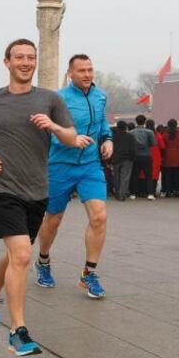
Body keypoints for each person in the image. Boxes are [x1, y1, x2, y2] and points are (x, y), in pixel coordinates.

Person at [0, 39, 80, 356]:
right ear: (6, 62)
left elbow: (72, 139)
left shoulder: (50, 99)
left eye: (31, 57)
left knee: (20, 253)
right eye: (19, 57)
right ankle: (18, 332)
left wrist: (54, 126)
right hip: (1, 187)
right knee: (20, 256)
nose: (26, 62)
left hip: (37, 188)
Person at [36, 54, 112, 299]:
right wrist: (70, 139)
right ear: (70, 73)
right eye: (82, 70)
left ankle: (88, 274)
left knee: (99, 217)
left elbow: (102, 125)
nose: (87, 74)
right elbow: (49, 129)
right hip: (60, 164)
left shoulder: (100, 96)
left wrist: (108, 139)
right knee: (54, 219)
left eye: (90, 69)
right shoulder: (58, 98)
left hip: (90, 165)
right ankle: (43, 261)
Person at [130, 115, 157, 200]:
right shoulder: (149, 132)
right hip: (146, 155)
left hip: (136, 156)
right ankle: (150, 193)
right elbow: (154, 144)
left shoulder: (131, 132)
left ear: (136, 121)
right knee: (149, 176)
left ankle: (133, 193)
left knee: (135, 175)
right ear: (144, 122)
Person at [110, 120, 136, 200]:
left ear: (117, 127)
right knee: (124, 177)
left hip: (116, 158)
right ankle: (122, 194)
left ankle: (117, 193)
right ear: (126, 127)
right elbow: (133, 149)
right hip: (127, 159)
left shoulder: (113, 136)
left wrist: (110, 160)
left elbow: (110, 148)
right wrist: (133, 158)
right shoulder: (131, 136)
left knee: (116, 177)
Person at [160, 119, 179, 198]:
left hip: (167, 157)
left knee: (167, 175)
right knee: (177, 176)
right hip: (178, 157)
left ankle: (168, 191)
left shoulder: (164, 135)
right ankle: (177, 191)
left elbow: (162, 147)